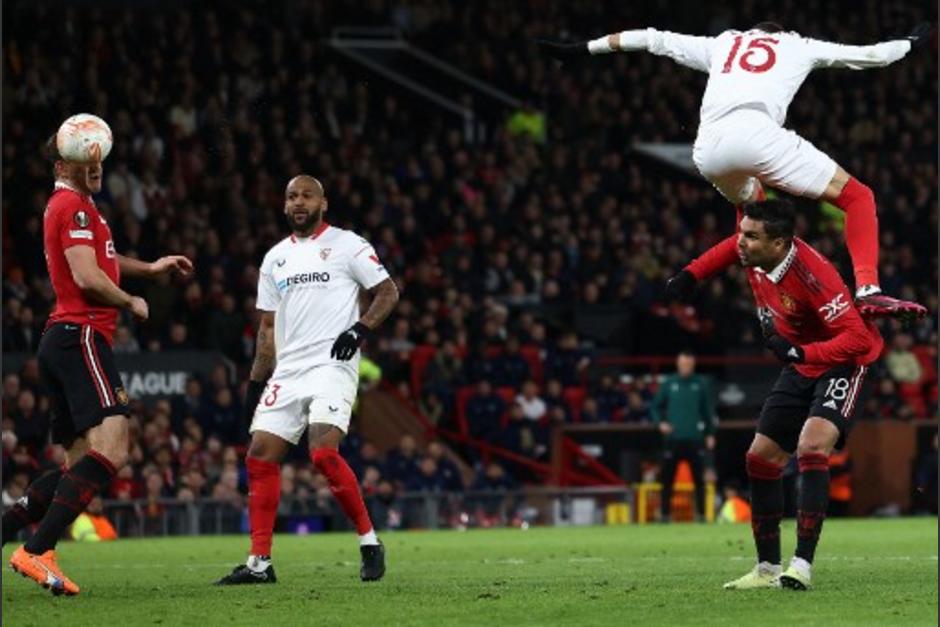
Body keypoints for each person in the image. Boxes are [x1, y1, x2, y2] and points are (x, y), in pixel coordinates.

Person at [537, 22, 932, 318]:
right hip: (759, 133)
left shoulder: (724, 44)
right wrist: (911, 43)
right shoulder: (797, 45)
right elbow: (875, 56)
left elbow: (650, 38)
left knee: (752, 215)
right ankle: (868, 289)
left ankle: (743, 297)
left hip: (708, 149)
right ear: (783, 34)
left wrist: (580, 49)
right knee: (858, 196)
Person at [6, 124, 193, 596]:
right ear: (60, 167)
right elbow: (88, 276)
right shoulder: (71, 206)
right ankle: (36, 549)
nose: (95, 167)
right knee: (114, 448)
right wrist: (131, 301)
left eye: (98, 160)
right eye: (83, 161)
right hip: (82, 334)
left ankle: (11, 528)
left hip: (61, 338)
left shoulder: (80, 208)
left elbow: (103, 261)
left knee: (76, 465)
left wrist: (149, 268)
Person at [214, 175, 399, 586]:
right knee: (259, 455)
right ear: (284, 206)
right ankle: (259, 564)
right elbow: (267, 329)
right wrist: (255, 384)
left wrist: (359, 330)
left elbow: (388, 292)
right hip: (289, 369)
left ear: (323, 203)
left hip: (333, 363)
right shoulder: (274, 258)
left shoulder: (348, 245)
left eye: (307, 195)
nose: (299, 202)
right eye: (292, 196)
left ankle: (369, 541)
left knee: (321, 452)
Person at [711, 200, 881, 590]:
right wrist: (690, 274)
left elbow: (855, 338)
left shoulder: (813, 274)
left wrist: (801, 351)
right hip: (801, 365)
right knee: (760, 457)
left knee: (811, 446)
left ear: (780, 244)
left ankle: (801, 564)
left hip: (843, 362)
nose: (740, 242)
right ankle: (767, 568)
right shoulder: (759, 262)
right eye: (742, 233)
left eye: (751, 236)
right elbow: (737, 215)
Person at [650, 350, 716, 521]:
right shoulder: (669, 383)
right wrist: (660, 424)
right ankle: (665, 515)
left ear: (693, 365)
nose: (686, 366)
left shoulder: (700, 384)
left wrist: (710, 433)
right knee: (667, 480)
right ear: (678, 364)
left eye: (689, 363)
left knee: (699, 481)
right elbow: (655, 407)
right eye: (683, 363)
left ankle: (701, 515)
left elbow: (707, 411)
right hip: (673, 439)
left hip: (695, 439)